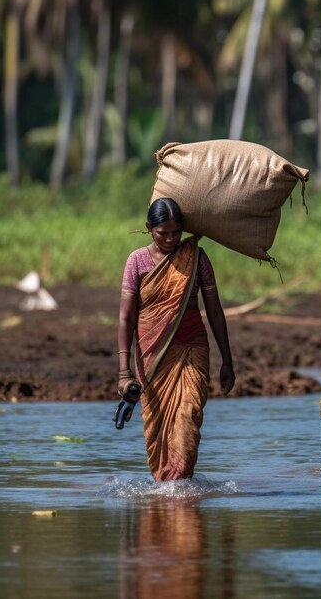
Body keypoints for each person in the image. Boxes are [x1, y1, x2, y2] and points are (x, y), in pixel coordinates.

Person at [117, 197, 235, 480]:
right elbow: (126, 318)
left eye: (176, 232)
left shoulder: (197, 258)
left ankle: (179, 482)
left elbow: (215, 311)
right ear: (149, 228)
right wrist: (124, 372)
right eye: (163, 233)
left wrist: (228, 361)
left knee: (188, 414)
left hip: (192, 347)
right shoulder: (137, 262)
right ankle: (168, 484)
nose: (170, 239)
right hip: (152, 356)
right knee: (157, 426)